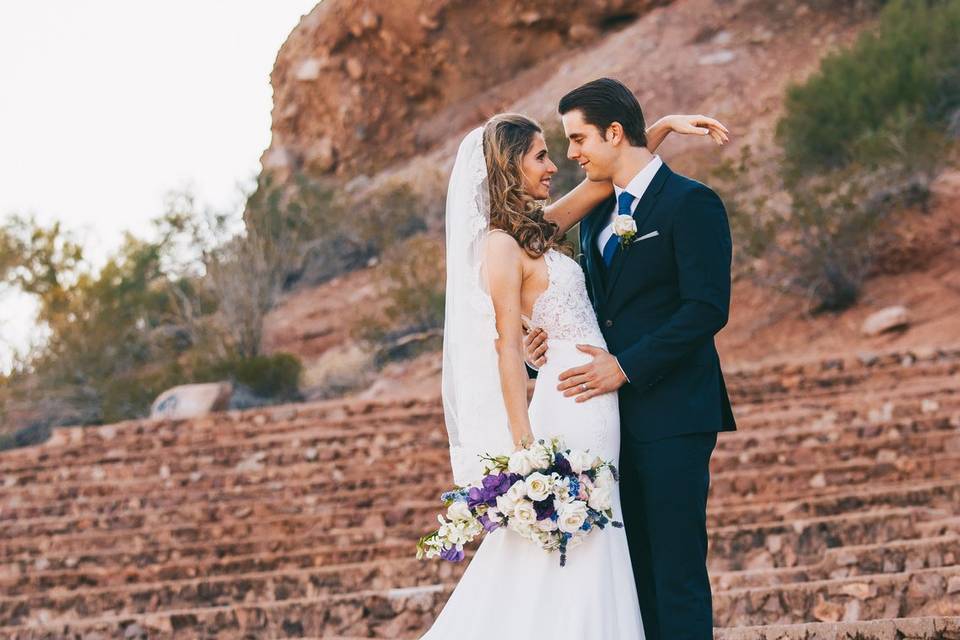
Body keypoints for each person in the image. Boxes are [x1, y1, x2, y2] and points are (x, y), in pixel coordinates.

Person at [422, 104, 728, 638]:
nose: (554, 165)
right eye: (541, 156)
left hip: (607, 405)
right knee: (582, 545)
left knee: (611, 543)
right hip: (571, 401)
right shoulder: (500, 244)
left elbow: (609, 178)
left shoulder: (537, 231)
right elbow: (503, 346)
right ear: (511, 166)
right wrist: (525, 449)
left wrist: (657, 131)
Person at [524, 78, 738, 640]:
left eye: (578, 139)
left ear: (613, 133)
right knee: (630, 571)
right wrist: (539, 352)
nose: (570, 154)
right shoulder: (595, 217)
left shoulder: (692, 203)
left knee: (676, 569)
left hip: (673, 413)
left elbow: (706, 309)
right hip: (606, 423)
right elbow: (588, 310)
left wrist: (626, 366)